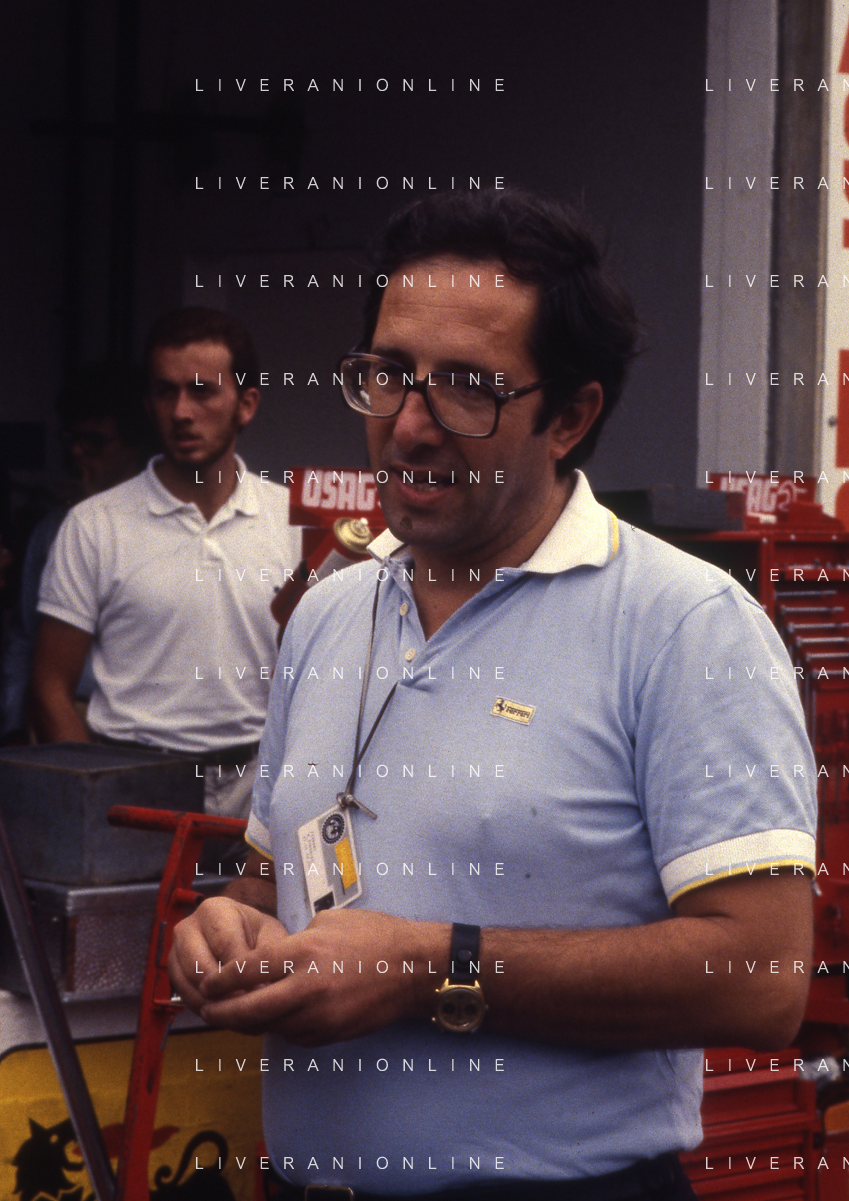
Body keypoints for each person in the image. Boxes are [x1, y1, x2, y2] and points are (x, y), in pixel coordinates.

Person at [169, 191, 816, 1199]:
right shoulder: (327, 614)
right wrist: (229, 929)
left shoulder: (685, 626)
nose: (408, 426)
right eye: (389, 374)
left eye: (468, 389)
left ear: (570, 416)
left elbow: (762, 979)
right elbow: (270, 878)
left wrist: (431, 967)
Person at [30, 308, 300, 819]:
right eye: (164, 392)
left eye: (201, 391)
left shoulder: (292, 521)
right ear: (148, 405)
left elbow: (325, 677)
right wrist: (94, 797)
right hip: (131, 779)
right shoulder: (94, 525)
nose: (181, 411)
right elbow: (49, 686)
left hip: (256, 785)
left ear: (246, 404)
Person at [1, 362, 153, 744]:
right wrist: (13, 723)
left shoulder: (161, 530)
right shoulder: (53, 530)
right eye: (72, 438)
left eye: (95, 441)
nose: (77, 451)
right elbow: (25, 635)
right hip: (57, 713)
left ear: (134, 444)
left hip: (134, 724)